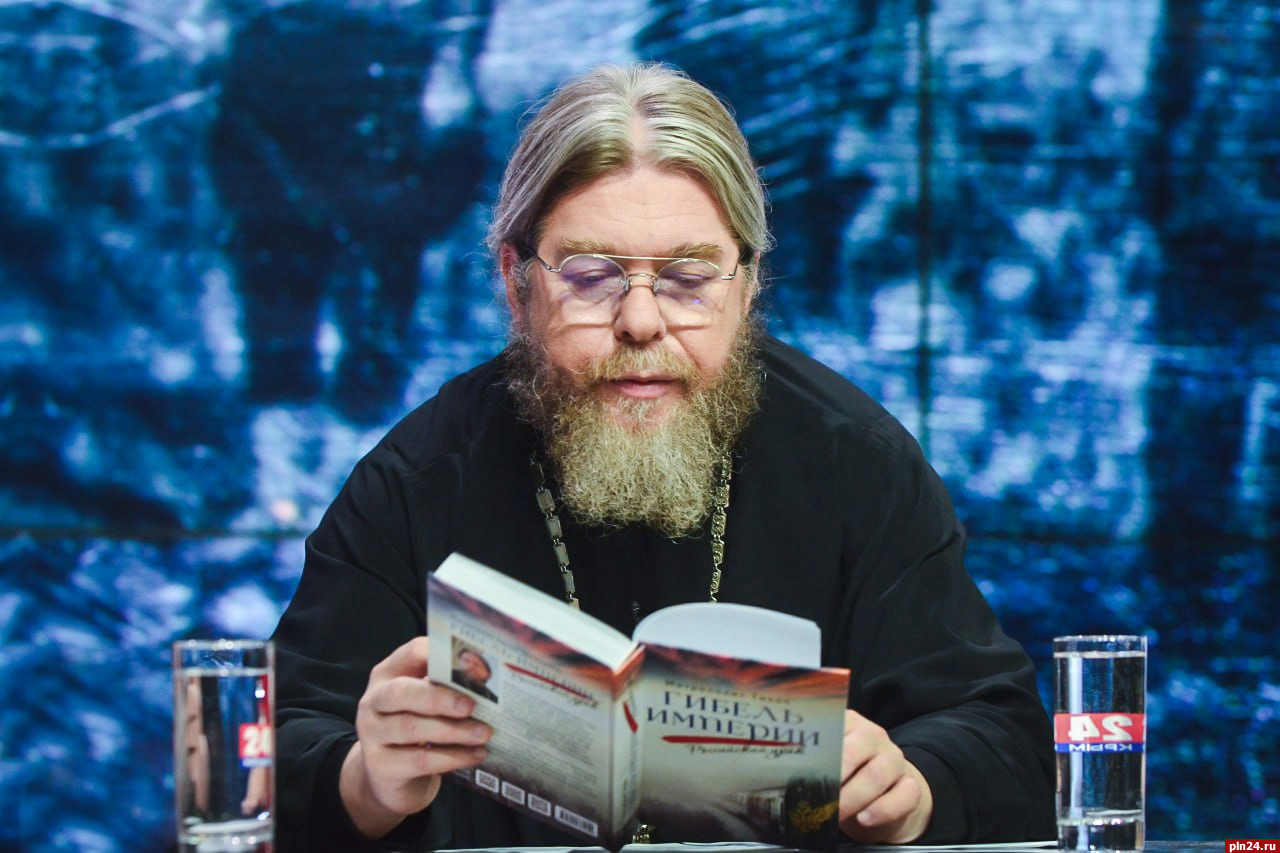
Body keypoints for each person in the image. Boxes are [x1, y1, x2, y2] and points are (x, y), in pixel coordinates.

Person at [271, 62, 1056, 851]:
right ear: (516, 282)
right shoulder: (416, 479)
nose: (641, 321)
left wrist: (912, 788)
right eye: (591, 277)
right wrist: (364, 781)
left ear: (746, 285)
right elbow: (277, 748)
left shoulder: (856, 461)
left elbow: (1002, 738)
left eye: (687, 278)